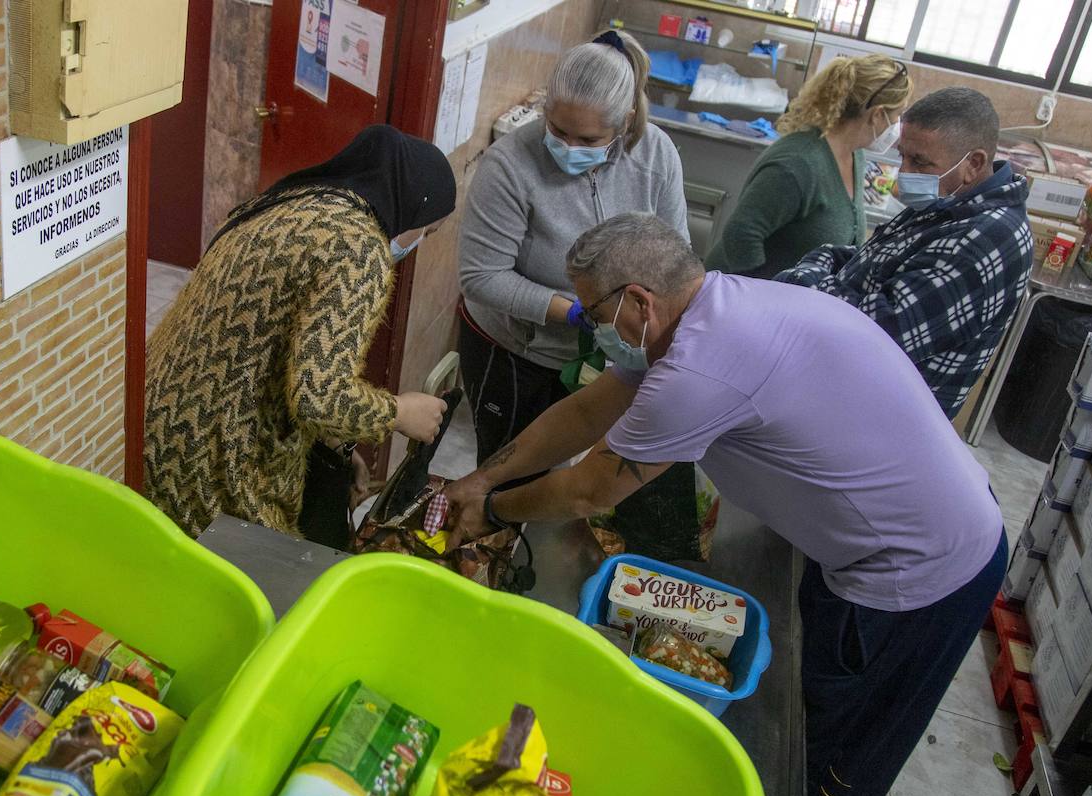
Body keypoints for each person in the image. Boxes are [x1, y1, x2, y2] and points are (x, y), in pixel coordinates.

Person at [444, 213, 1007, 796]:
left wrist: (498, 512)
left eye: (595, 311)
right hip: (898, 536)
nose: (591, 326)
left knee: (827, 769)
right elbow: (589, 410)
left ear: (640, 301)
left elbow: (592, 485)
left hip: (920, 576)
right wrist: (483, 478)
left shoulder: (703, 365)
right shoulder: (719, 307)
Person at [144, 125, 455, 543]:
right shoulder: (359, 247)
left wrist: (338, 443)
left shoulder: (288, 202)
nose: (419, 241)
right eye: (427, 230)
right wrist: (399, 412)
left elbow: (263, 344)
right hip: (214, 460)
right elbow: (318, 397)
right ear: (413, 207)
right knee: (253, 594)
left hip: (155, 421)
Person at [458, 29, 688, 464]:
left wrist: (638, 329)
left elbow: (677, 258)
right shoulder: (510, 165)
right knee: (507, 467)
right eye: (557, 130)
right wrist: (575, 312)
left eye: (586, 141)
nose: (566, 148)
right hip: (515, 351)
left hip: (611, 354)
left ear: (622, 125)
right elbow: (481, 277)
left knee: (571, 464)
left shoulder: (656, 157)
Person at [775, 86, 1033, 419]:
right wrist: (820, 270)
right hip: (844, 392)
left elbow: (865, 334)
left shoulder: (986, 241)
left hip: (877, 422)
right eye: (903, 156)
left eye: (920, 162)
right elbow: (859, 258)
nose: (905, 173)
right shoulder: (951, 200)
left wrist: (798, 282)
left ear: (974, 163)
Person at [704, 54, 911, 277]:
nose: (897, 127)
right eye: (897, 115)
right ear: (877, 114)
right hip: (739, 296)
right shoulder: (798, 164)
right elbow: (741, 234)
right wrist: (767, 295)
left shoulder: (855, 155)